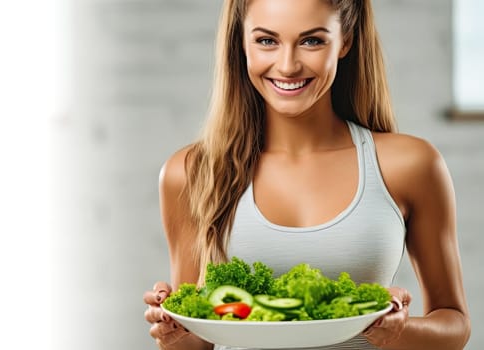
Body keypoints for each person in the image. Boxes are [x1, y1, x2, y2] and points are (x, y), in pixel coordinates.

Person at [141, 0, 471, 349]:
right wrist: (172, 333)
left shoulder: (410, 165)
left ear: (345, 40)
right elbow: (198, 341)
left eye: (312, 41)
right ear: (240, 43)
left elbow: (454, 324)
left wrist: (393, 330)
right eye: (266, 41)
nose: (287, 66)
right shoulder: (191, 173)